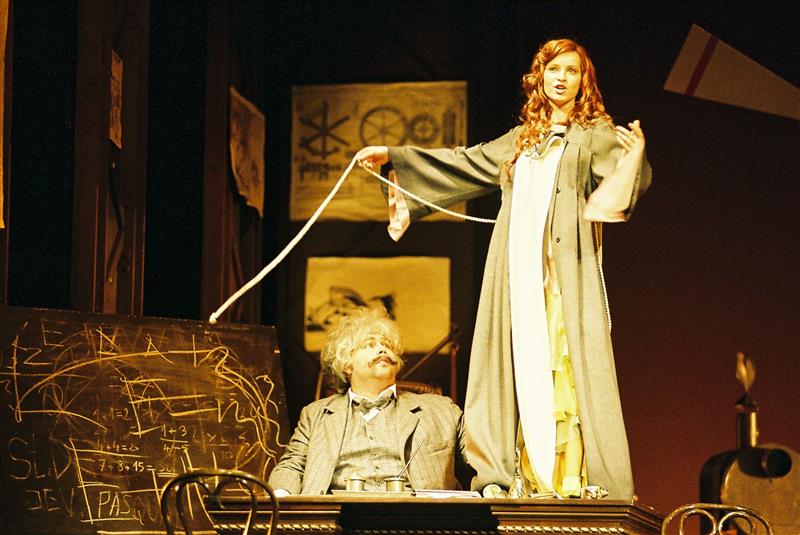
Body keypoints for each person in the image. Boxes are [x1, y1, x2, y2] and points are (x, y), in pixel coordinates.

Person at [355, 38, 651, 499]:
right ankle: (515, 476)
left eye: (572, 71)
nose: (561, 78)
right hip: (516, 274)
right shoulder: (521, 139)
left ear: (583, 81)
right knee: (513, 364)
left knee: (564, 365)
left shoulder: (593, 133)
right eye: (554, 69)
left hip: (562, 276)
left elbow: (625, 181)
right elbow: (465, 162)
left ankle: (571, 478)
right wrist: (395, 156)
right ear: (540, 76)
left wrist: (634, 155)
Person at [268, 307, 471, 495]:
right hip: (335, 516)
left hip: (418, 517)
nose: (382, 349)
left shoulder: (442, 409)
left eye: (387, 345)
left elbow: (482, 458)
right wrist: (282, 499)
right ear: (346, 364)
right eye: (370, 344)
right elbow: (291, 466)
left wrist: (488, 487)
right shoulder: (314, 415)